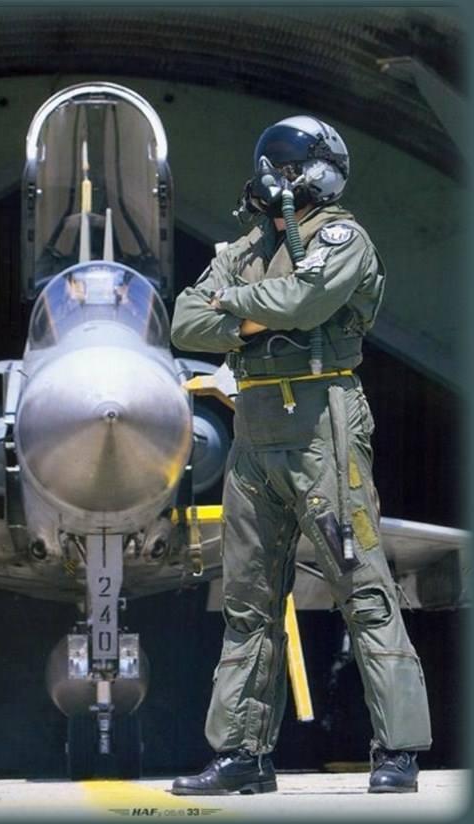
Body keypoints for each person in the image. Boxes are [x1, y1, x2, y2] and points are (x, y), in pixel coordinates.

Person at [170, 115, 431, 796]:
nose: (279, 179)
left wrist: (235, 309)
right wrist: (262, 312)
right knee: (247, 600)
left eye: (292, 167)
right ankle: (243, 755)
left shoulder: (343, 239)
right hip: (254, 430)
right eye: (277, 166)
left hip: (324, 425)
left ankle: (398, 750)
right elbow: (185, 321)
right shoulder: (244, 248)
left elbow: (307, 300)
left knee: (362, 587)